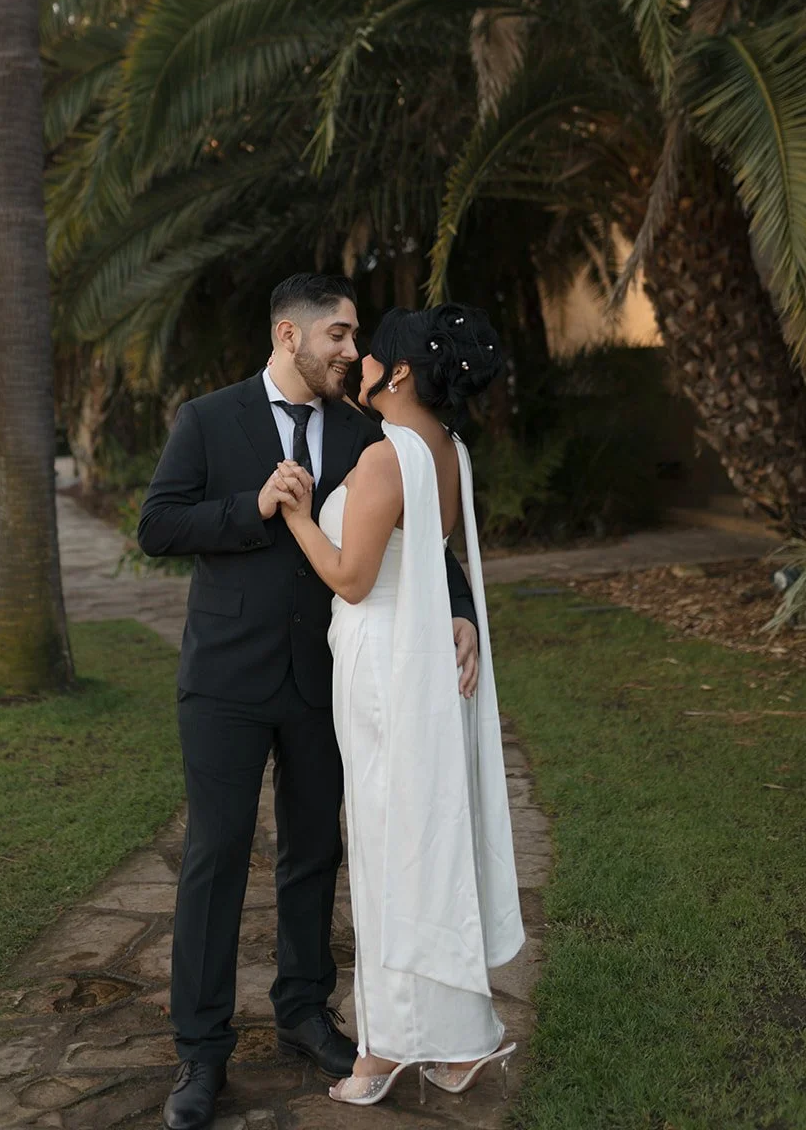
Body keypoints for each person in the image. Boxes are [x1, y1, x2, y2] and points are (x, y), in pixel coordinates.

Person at [137, 274, 481, 1130]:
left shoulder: (369, 431)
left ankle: (302, 1012)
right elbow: (157, 524)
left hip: (328, 681)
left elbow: (411, 534)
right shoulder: (208, 419)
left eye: (355, 335)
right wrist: (250, 508)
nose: (349, 350)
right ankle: (201, 1052)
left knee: (312, 855)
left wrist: (462, 609)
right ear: (287, 335)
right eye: (337, 334)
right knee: (214, 858)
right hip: (223, 680)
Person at [278, 303, 524, 1108]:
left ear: (403, 371)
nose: (362, 363)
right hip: (411, 655)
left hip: (383, 662)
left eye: (372, 352)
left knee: (390, 848)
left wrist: (293, 514)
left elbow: (350, 577)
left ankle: (385, 1046)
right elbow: (437, 552)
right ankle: (454, 1041)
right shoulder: (448, 449)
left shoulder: (388, 457)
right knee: (424, 839)